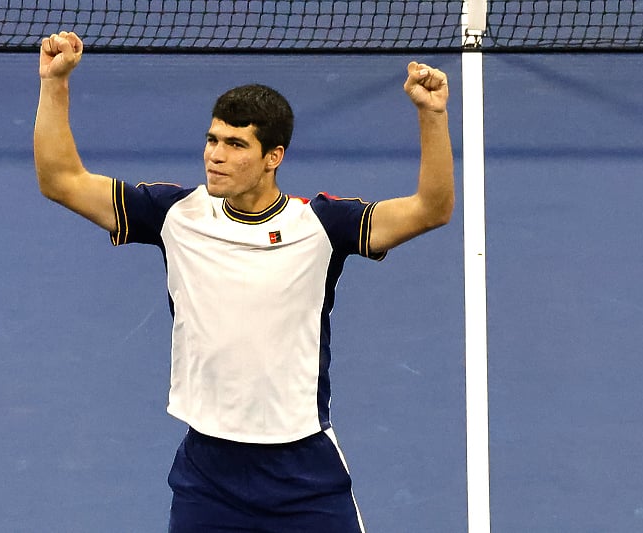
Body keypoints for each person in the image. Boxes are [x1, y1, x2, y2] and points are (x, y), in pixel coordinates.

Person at [34, 30, 453, 533]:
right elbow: (61, 180)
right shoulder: (174, 215)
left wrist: (431, 114)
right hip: (209, 475)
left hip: (304, 472)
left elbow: (432, 209)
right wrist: (54, 83)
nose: (215, 155)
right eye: (213, 140)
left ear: (273, 156)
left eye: (236, 144)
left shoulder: (321, 226)